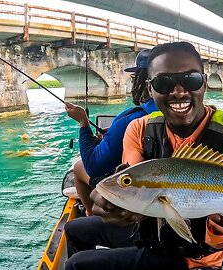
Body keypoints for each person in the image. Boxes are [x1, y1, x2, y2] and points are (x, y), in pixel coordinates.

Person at [68, 41, 223, 270]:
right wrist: (119, 206)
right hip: (149, 228)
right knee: (73, 229)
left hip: (191, 255)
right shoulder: (139, 128)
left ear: (204, 83)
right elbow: (134, 179)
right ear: (150, 89)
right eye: (163, 83)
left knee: (76, 265)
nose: (179, 91)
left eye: (191, 80)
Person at [64, 49, 156, 216]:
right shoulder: (176, 114)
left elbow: (93, 166)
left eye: (135, 79)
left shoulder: (131, 118)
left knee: (79, 167)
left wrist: (83, 123)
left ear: (144, 82)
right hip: (155, 187)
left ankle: (90, 214)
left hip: (133, 193)